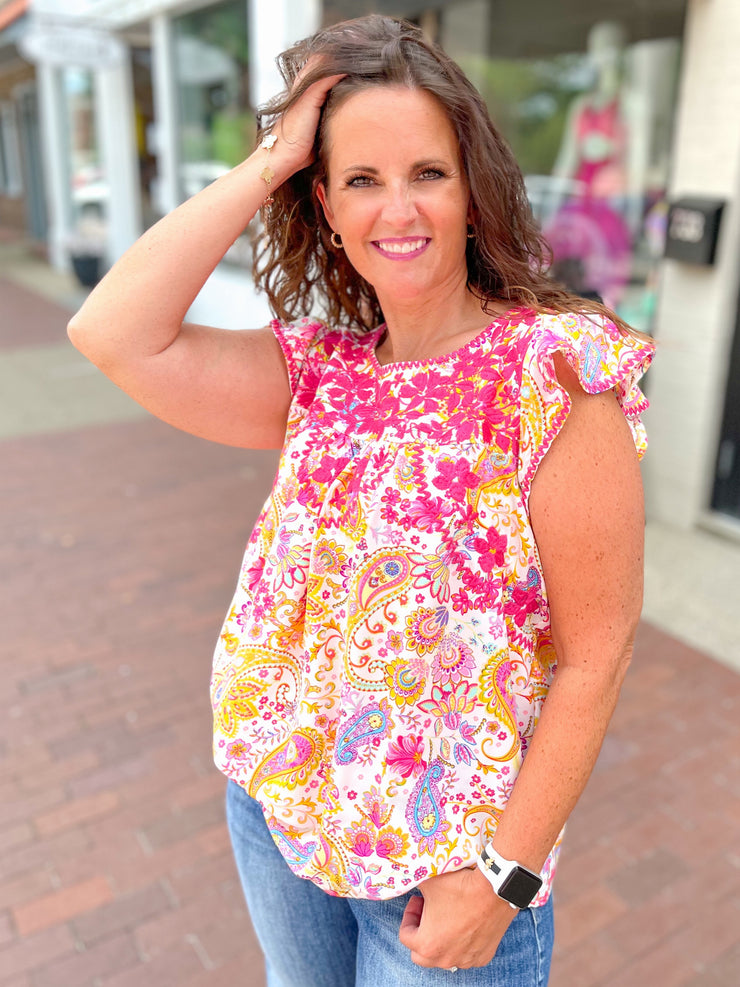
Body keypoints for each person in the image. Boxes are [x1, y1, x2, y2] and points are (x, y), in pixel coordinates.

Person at [68, 15, 655, 986]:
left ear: (472, 189)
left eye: (426, 171)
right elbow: (112, 332)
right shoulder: (321, 374)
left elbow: (598, 654)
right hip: (276, 807)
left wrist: (501, 876)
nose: (399, 209)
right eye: (360, 179)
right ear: (325, 208)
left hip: (447, 871)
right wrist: (274, 155)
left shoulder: (551, 369)